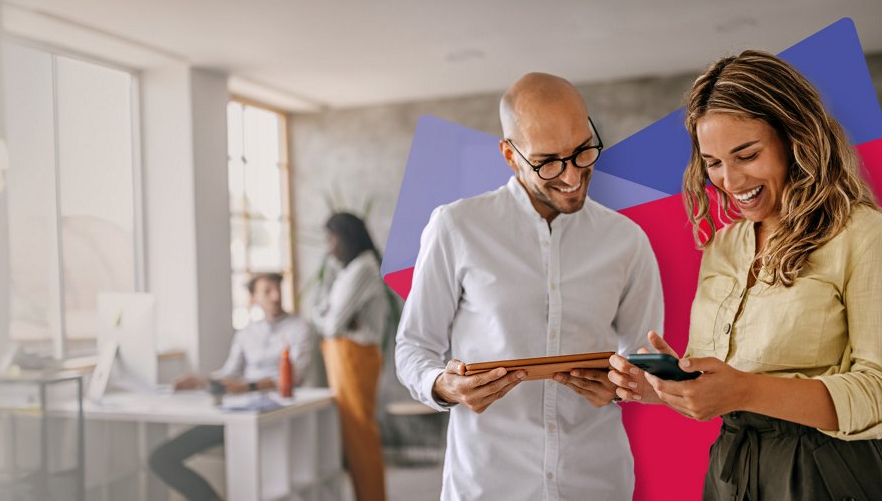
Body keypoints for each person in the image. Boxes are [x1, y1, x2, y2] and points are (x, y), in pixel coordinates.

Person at [607, 50, 882, 500]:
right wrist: (663, 387)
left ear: (795, 138)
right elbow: (725, 383)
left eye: (747, 154)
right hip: (733, 473)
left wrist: (743, 390)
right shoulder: (724, 246)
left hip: (833, 474)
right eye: (713, 162)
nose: (729, 179)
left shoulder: (868, 238)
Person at [394, 72, 664, 499]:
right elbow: (413, 348)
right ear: (509, 154)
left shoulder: (627, 241)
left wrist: (627, 384)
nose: (573, 176)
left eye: (582, 152)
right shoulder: (457, 227)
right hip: (488, 482)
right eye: (548, 162)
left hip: (596, 480)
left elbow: (646, 357)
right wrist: (444, 386)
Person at [149, 273, 314, 501]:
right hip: (237, 414)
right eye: (267, 291)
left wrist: (247, 386)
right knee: (161, 458)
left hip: (276, 417)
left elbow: (294, 377)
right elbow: (229, 374)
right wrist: (201, 381)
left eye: (278, 289)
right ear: (254, 297)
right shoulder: (246, 333)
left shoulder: (300, 328)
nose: (275, 297)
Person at [315, 212, 390, 501]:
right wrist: (332, 318)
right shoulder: (347, 270)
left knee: (361, 436)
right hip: (344, 356)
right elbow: (321, 311)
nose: (328, 246)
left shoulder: (363, 268)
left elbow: (330, 323)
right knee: (353, 437)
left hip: (355, 357)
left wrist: (333, 320)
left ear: (346, 237)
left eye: (331, 238)